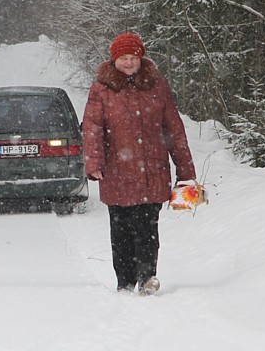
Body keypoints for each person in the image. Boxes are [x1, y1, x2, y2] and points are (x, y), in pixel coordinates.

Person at [82, 33, 196, 296]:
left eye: (133, 57)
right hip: (116, 171)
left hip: (151, 169)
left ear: (141, 57)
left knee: (147, 228)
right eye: (123, 58)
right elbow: (92, 127)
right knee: (121, 230)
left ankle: (147, 278)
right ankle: (124, 281)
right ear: (114, 60)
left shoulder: (157, 85)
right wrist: (94, 162)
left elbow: (174, 128)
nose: (129, 63)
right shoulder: (101, 88)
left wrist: (186, 171)